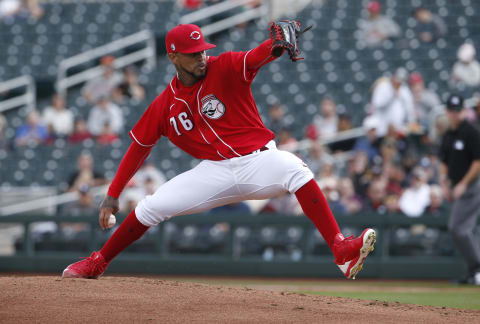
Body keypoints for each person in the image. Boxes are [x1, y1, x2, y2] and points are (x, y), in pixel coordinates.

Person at [62, 22, 375, 280]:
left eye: (202, 50)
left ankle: (341, 250)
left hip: (258, 161)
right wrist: (114, 192)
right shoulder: (163, 106)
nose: (201, 57)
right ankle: (97, 262)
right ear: (173, 56)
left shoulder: (223, 66)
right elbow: (138, 148)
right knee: (149, 207)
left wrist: (274, 47)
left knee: (296, 168)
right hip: (214, 172)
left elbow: (254, 58)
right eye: (192, 53)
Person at [438, 94, 480, 285]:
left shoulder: (470, 131)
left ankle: (476, 269)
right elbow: (444, 162)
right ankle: (474, 272)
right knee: (462, 230)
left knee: (458, 229)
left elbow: (478, 162)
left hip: (471, 186)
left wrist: (463, 183)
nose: (454, 114)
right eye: (451, 110)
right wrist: (444, 184)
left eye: (457, 110)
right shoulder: (448, 134)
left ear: (463, 110)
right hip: (457, 187)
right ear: (447, 112)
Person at [369, 68, 417, 138]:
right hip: (382, 130)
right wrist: (391, 95)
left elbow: (410, 109)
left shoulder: (404, 90)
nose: (398, 82)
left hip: (399, 130)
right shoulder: (383, 87)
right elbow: (377, 104)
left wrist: (411, 122)